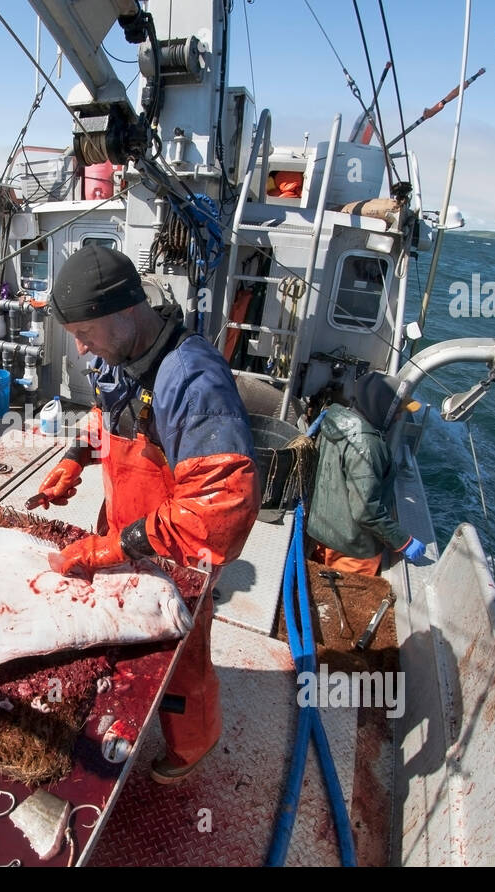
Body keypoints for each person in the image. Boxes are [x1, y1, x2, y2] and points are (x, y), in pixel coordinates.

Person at [35, 245, 260, 784]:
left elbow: (221, 508)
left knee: (181, 656)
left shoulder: (193, 380)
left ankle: (192, 745)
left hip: (179, 552)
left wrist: (117, 547)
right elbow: (106, 414)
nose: (79, 346)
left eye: (84, 331)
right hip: (125, 528)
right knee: (125, 640)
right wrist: (74, 458)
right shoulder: (115, 354)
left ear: (125, 312)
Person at [305, 371, 427, 576]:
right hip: (353, 550)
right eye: (397, 410)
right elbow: (365, 510)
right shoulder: (368, 446)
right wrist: (403, 541)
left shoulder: (333, 420)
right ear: (380, 406)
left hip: (321, 535)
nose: (399, 416)